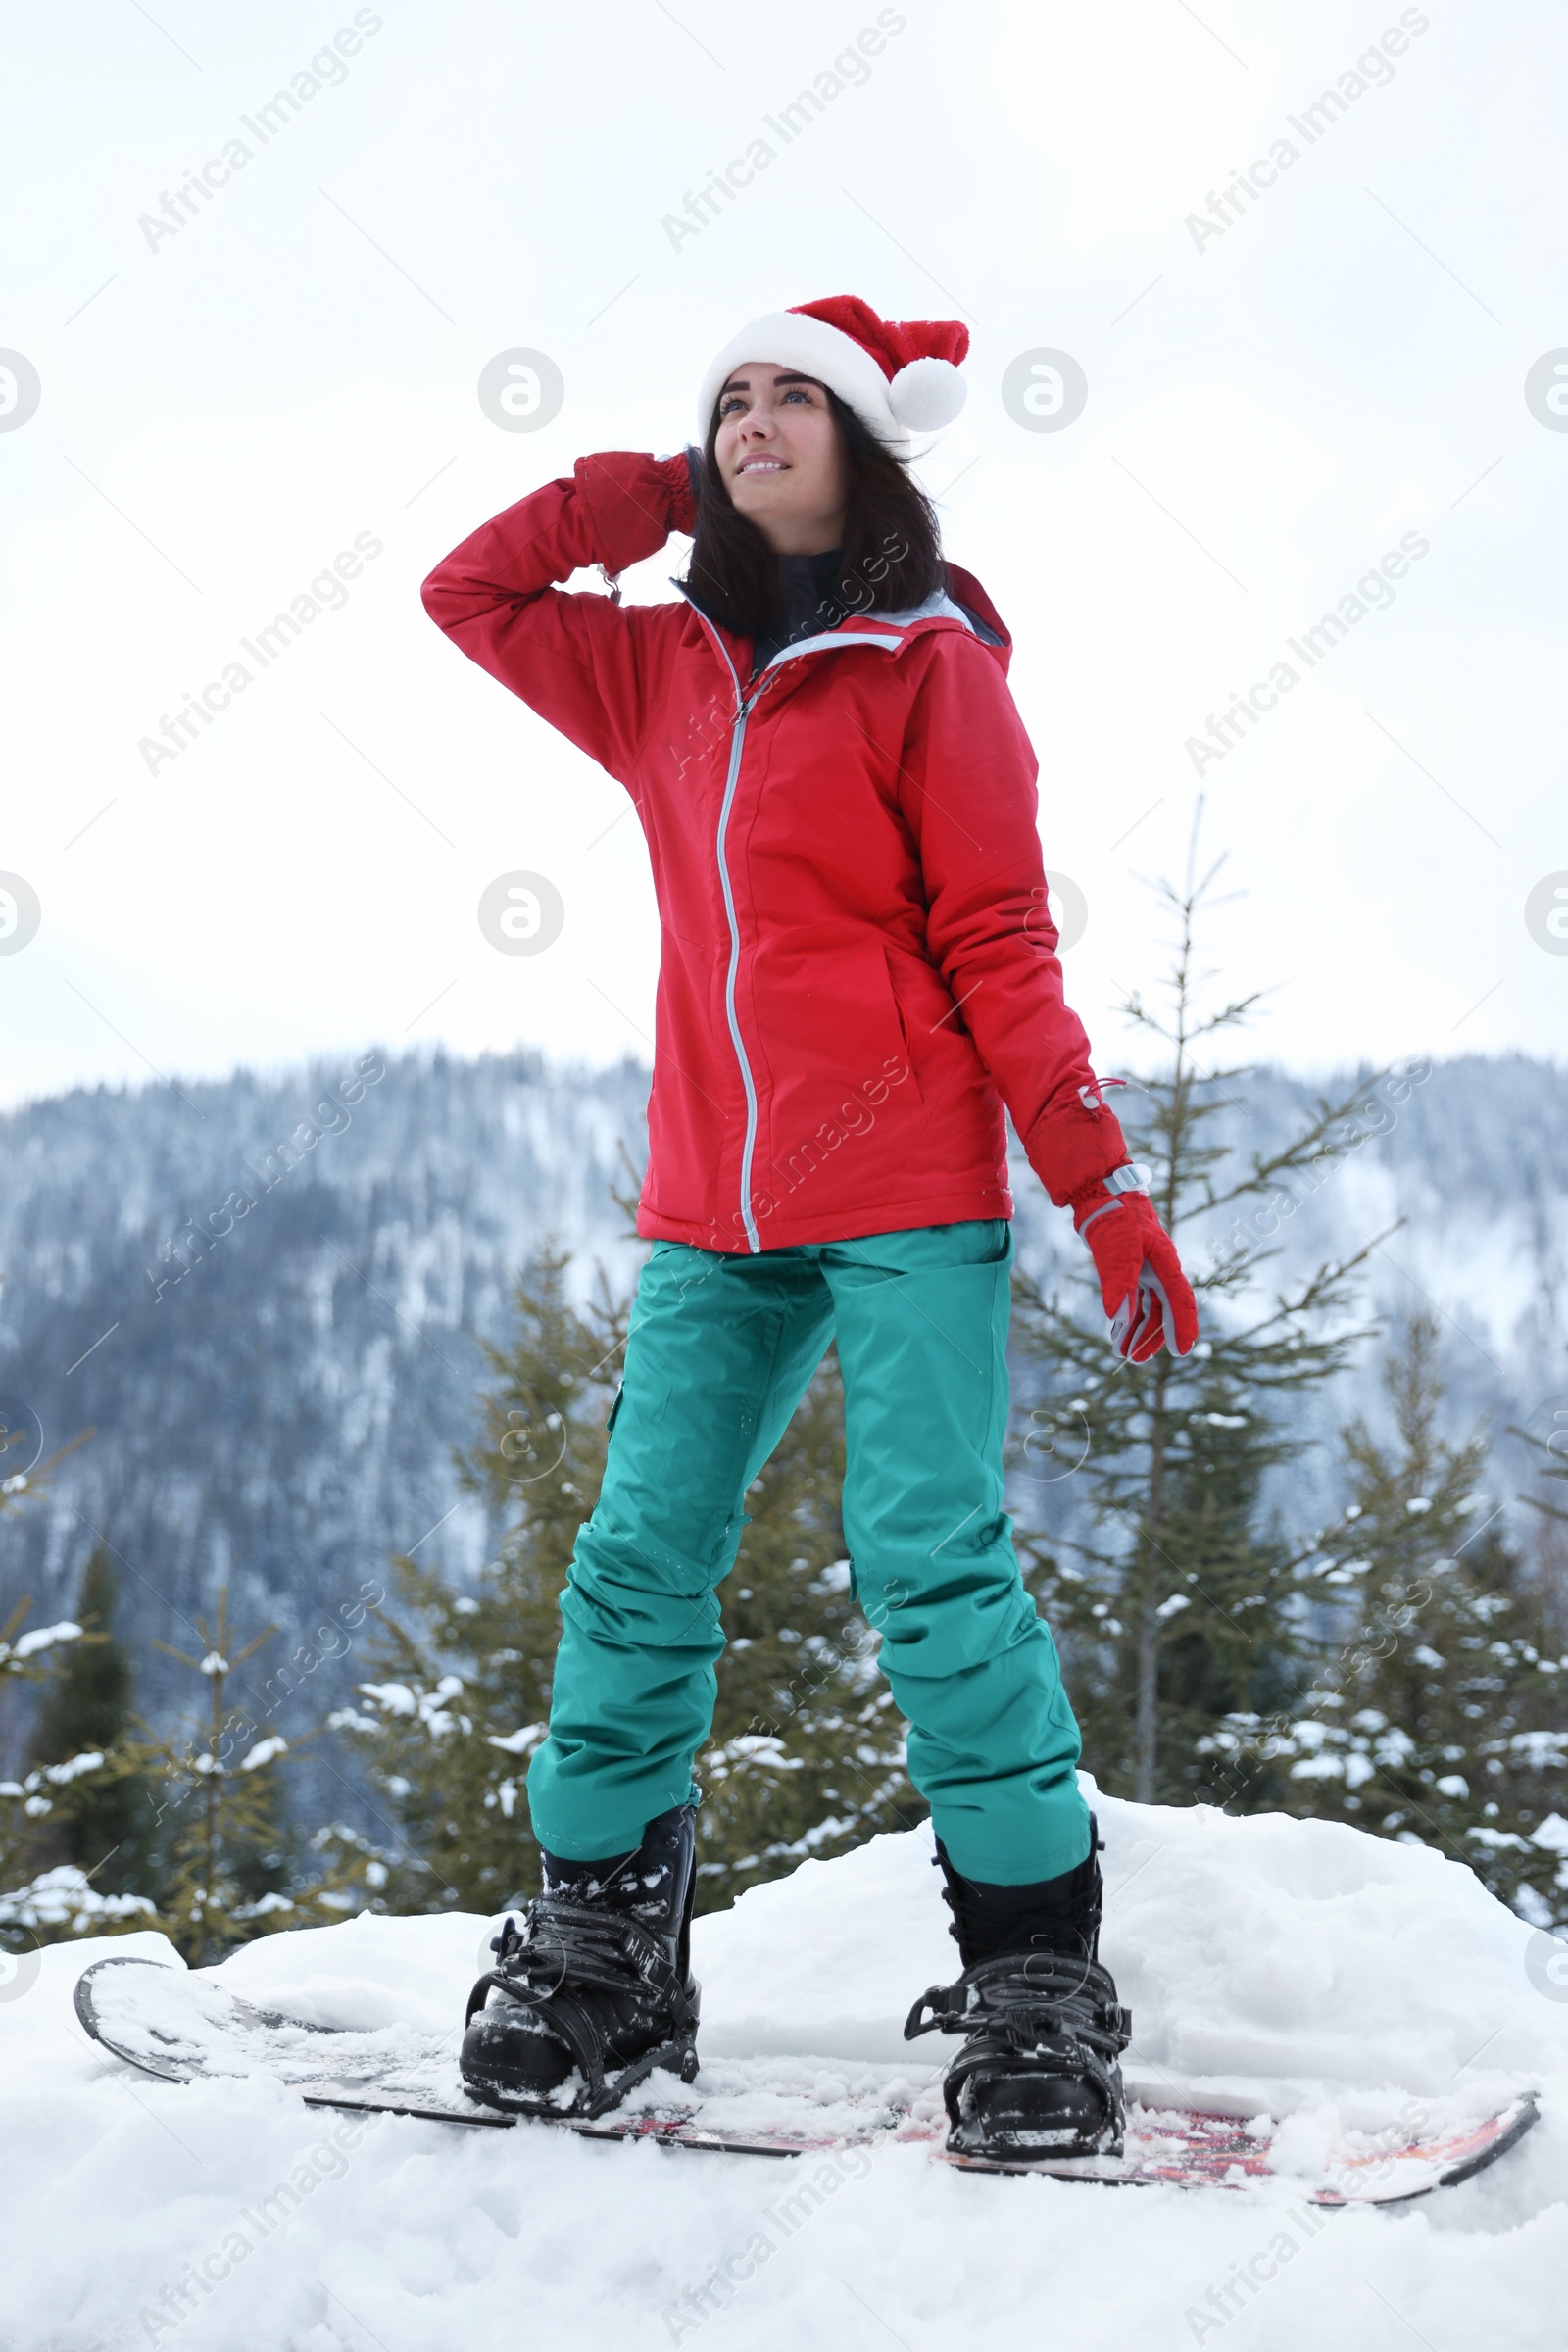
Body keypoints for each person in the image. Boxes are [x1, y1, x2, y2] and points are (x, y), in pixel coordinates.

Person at [421, 294, 1197, 2161]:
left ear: (866, 441)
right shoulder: (660, 669)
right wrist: (641, 494)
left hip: (908, 1186)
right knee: (638, 1563)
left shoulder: (931, 668)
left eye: (794, 399)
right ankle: (606, 1943)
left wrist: (1095, 1180)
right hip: (713, 1206)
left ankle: (1034, 1974)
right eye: (730, 401)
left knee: (927, 1567)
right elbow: (470, 594)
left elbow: (1001, 936)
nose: (757, 421)